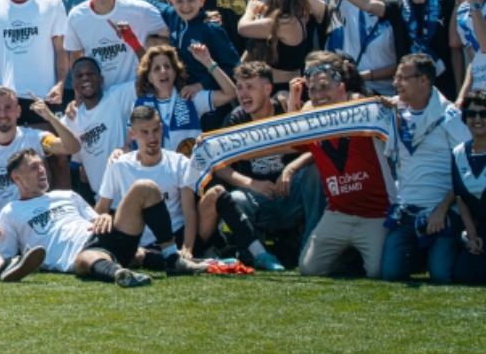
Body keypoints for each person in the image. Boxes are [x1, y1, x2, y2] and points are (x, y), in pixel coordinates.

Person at [0, 148, 190, 287]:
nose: (42, 170)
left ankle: (173, 257)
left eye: (41, 165)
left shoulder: (67, 194)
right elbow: (8, 259)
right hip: (80, 255)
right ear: (16, 177)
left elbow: (97, 218)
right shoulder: (11, 212)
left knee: (145, 187)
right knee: (88, 258)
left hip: (103, 236)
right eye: (34, 167)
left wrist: (104, 217)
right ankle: (120, 274)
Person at [289, 52, 394, 279]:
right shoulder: (311, 111)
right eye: (313, 89)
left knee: (377, 272)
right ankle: (347, 259)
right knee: (309, 269)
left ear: (341, 87)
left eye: (325, 87)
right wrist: (293, 100)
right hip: (339, 212)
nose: (319, 95)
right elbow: (291, 139)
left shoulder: (361, 105)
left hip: (376, 213)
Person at [215, 62, 324, 261]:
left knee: (314, 172)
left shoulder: (283, 107)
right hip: (258, 198)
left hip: (289, 191)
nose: (243, 94)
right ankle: (258, 254)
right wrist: (251, 184)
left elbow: (316, 148)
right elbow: (220, 167)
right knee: (236, 198)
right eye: (239, 87)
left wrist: (291, 168)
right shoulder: (235, 119)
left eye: (250, 87)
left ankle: (311, 249)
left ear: (267, 89)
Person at [382, 53, 468, 283]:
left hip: (442, 212)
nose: (395, 83)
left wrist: (443, 209)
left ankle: (454, 246)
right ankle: (421, 253)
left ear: (424, 80)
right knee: (391, 273)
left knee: (441, 275)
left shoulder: (449, 117)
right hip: (406, 211)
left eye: (402, 78)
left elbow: (466, 169)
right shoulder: (396, 113)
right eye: (396, 77)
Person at [94, 107, 212, 273]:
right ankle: (167, 258)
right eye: (145, 132)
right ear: (132, 134)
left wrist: (188, 248)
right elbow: (102, 207)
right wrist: (104, 215)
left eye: (156, 130)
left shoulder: (179, 163)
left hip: (175, 237)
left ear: (162, 129)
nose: (152, 137)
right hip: (136, 243)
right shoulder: (119, 165)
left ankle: (175, 255)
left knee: (218, 193)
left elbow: (189, 211)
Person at [0, 88, 80, 228]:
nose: (2, 114)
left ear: (18, 111)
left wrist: (50, 117)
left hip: (30, 227)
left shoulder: (34, 139)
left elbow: (72, 148)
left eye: (8, 107)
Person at [64, 0, 167, 92]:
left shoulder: (140, 10)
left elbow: (170, 34)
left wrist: (148, 42)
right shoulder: (76, 16)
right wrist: (79, 97)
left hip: (136, 92)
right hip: (101, 97)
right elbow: (76, 60)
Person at [237, 0, 327, 89]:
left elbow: (242, 28)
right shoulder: (299, 17)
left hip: (281, 88)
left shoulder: (285, 24)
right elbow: (272, 15)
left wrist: (250, 9)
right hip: (283, 85)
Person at [132, 44, 237, 151]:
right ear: (149, 77)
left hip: (189, 165)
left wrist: (208, 62)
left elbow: (231, 93)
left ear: (175, 72)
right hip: (156, 166)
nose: (163, 71)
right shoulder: (140, 106)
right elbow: (130, 142)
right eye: (157, 68)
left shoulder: (189, 97)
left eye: (167, 66)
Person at [62, 56, 136, 202]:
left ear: (101, 79)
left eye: (90, 74)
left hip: (129, 193)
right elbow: (75, 159)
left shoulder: (116, 97)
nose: (85, 78)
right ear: (75, 84)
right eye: (80, 76)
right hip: (101, 199)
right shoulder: (70, 119)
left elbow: (148, 80)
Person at [452, 90, 486, 284]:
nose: (478, 119)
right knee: (464, 275)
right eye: (472, 114)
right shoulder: (458, 152)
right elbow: (461, 198)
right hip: (479, 229)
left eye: (484, 113)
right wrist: (472, 236)